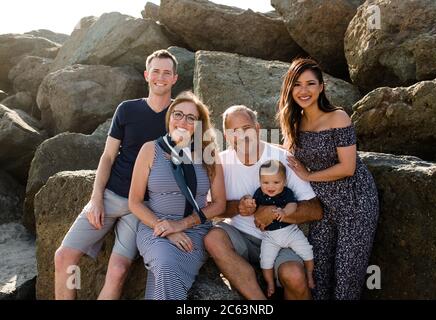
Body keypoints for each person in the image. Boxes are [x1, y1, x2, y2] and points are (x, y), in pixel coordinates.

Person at [54, 49, 179, 300]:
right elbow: (108, 156)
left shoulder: (180, 116)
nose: (160, 77)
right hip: (111, 195)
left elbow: (189, 162)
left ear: (175, 78)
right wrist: (96, 198)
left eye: (167, 72)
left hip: (144, 207)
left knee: (119, 270)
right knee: (65, 257)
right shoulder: (127, 110)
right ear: (147, 75)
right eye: (156, 71)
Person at [277, 57, 379, 300]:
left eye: (311, 84)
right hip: (322, 209)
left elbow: (348, 167)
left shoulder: (338, 117)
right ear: (290, 88)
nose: (304, 90)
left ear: (321, 87)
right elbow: (285, 157)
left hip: (356, 204)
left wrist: (309, 175)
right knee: (318, 276)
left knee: (346, 277)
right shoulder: (293, 122)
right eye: (298, 84)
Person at [204, 105, 323, 300]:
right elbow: (213, 208)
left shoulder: (282, 158)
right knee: (213, 238)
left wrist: (275, 212)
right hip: (242, 237)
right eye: (234, 131)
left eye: (246, 128)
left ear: (257, 129)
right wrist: (238, 207)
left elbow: (316, 210)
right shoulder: (221, 163)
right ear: (226, 136)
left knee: (294, 276)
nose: (241, 136)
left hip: (281, 237)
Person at [128, 91, 226, 300]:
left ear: (199, 124)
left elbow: (219, 205)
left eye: (191, 118)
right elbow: (134, 202)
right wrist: (167, 229)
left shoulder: (209, 154)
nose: (183, 121)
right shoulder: (150, 149)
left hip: (196, 230)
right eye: (178, 114)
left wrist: (181, 226)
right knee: (165, 263)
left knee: (164, 272)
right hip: (154, 226)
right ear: (169, 118)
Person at [249, 159, 314, 298]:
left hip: (290, 232)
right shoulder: (259, 194)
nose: (270, 186)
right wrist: (249, 204)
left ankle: (309, 274)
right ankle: (271, 283)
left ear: (284, 182)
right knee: (265, 261)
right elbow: (254, 207)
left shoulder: (286, 193)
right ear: (260, 182)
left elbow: (293, 205)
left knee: (307, 252)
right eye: (265, 182)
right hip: (270, 237)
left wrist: (284, 212)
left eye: (276, 182)